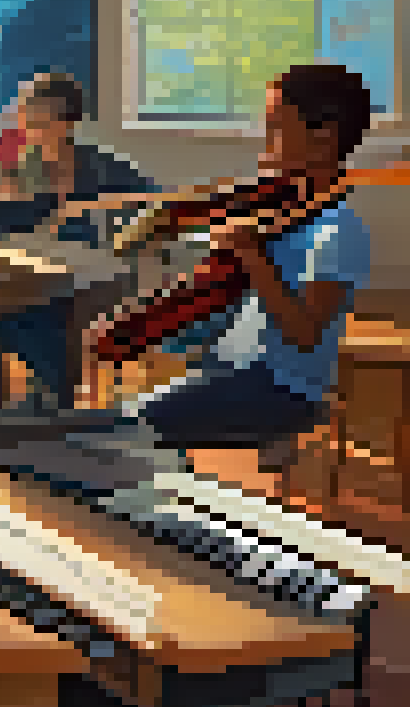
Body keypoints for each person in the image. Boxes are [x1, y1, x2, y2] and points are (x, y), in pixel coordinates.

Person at [61, 65, 372, 459]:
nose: (266, 140)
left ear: (323, 137)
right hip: (230, 367)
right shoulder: (279, 213)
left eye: (277, 128)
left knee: (120, 433)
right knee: (114, 423)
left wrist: (251, 254)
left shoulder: (338, 230)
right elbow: (209, 285)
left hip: (279, 390)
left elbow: (305, 335)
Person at [0, 74, 159, 412]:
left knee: (34, 309)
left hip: (93, 271)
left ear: (65, 120)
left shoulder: (100, 165)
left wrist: (93, 211)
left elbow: (153, 205)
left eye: (35, 115)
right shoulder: (16, 165)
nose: (24, 121)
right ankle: (54, 395)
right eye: (25, 113)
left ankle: (53, 397)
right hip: (31, 266)